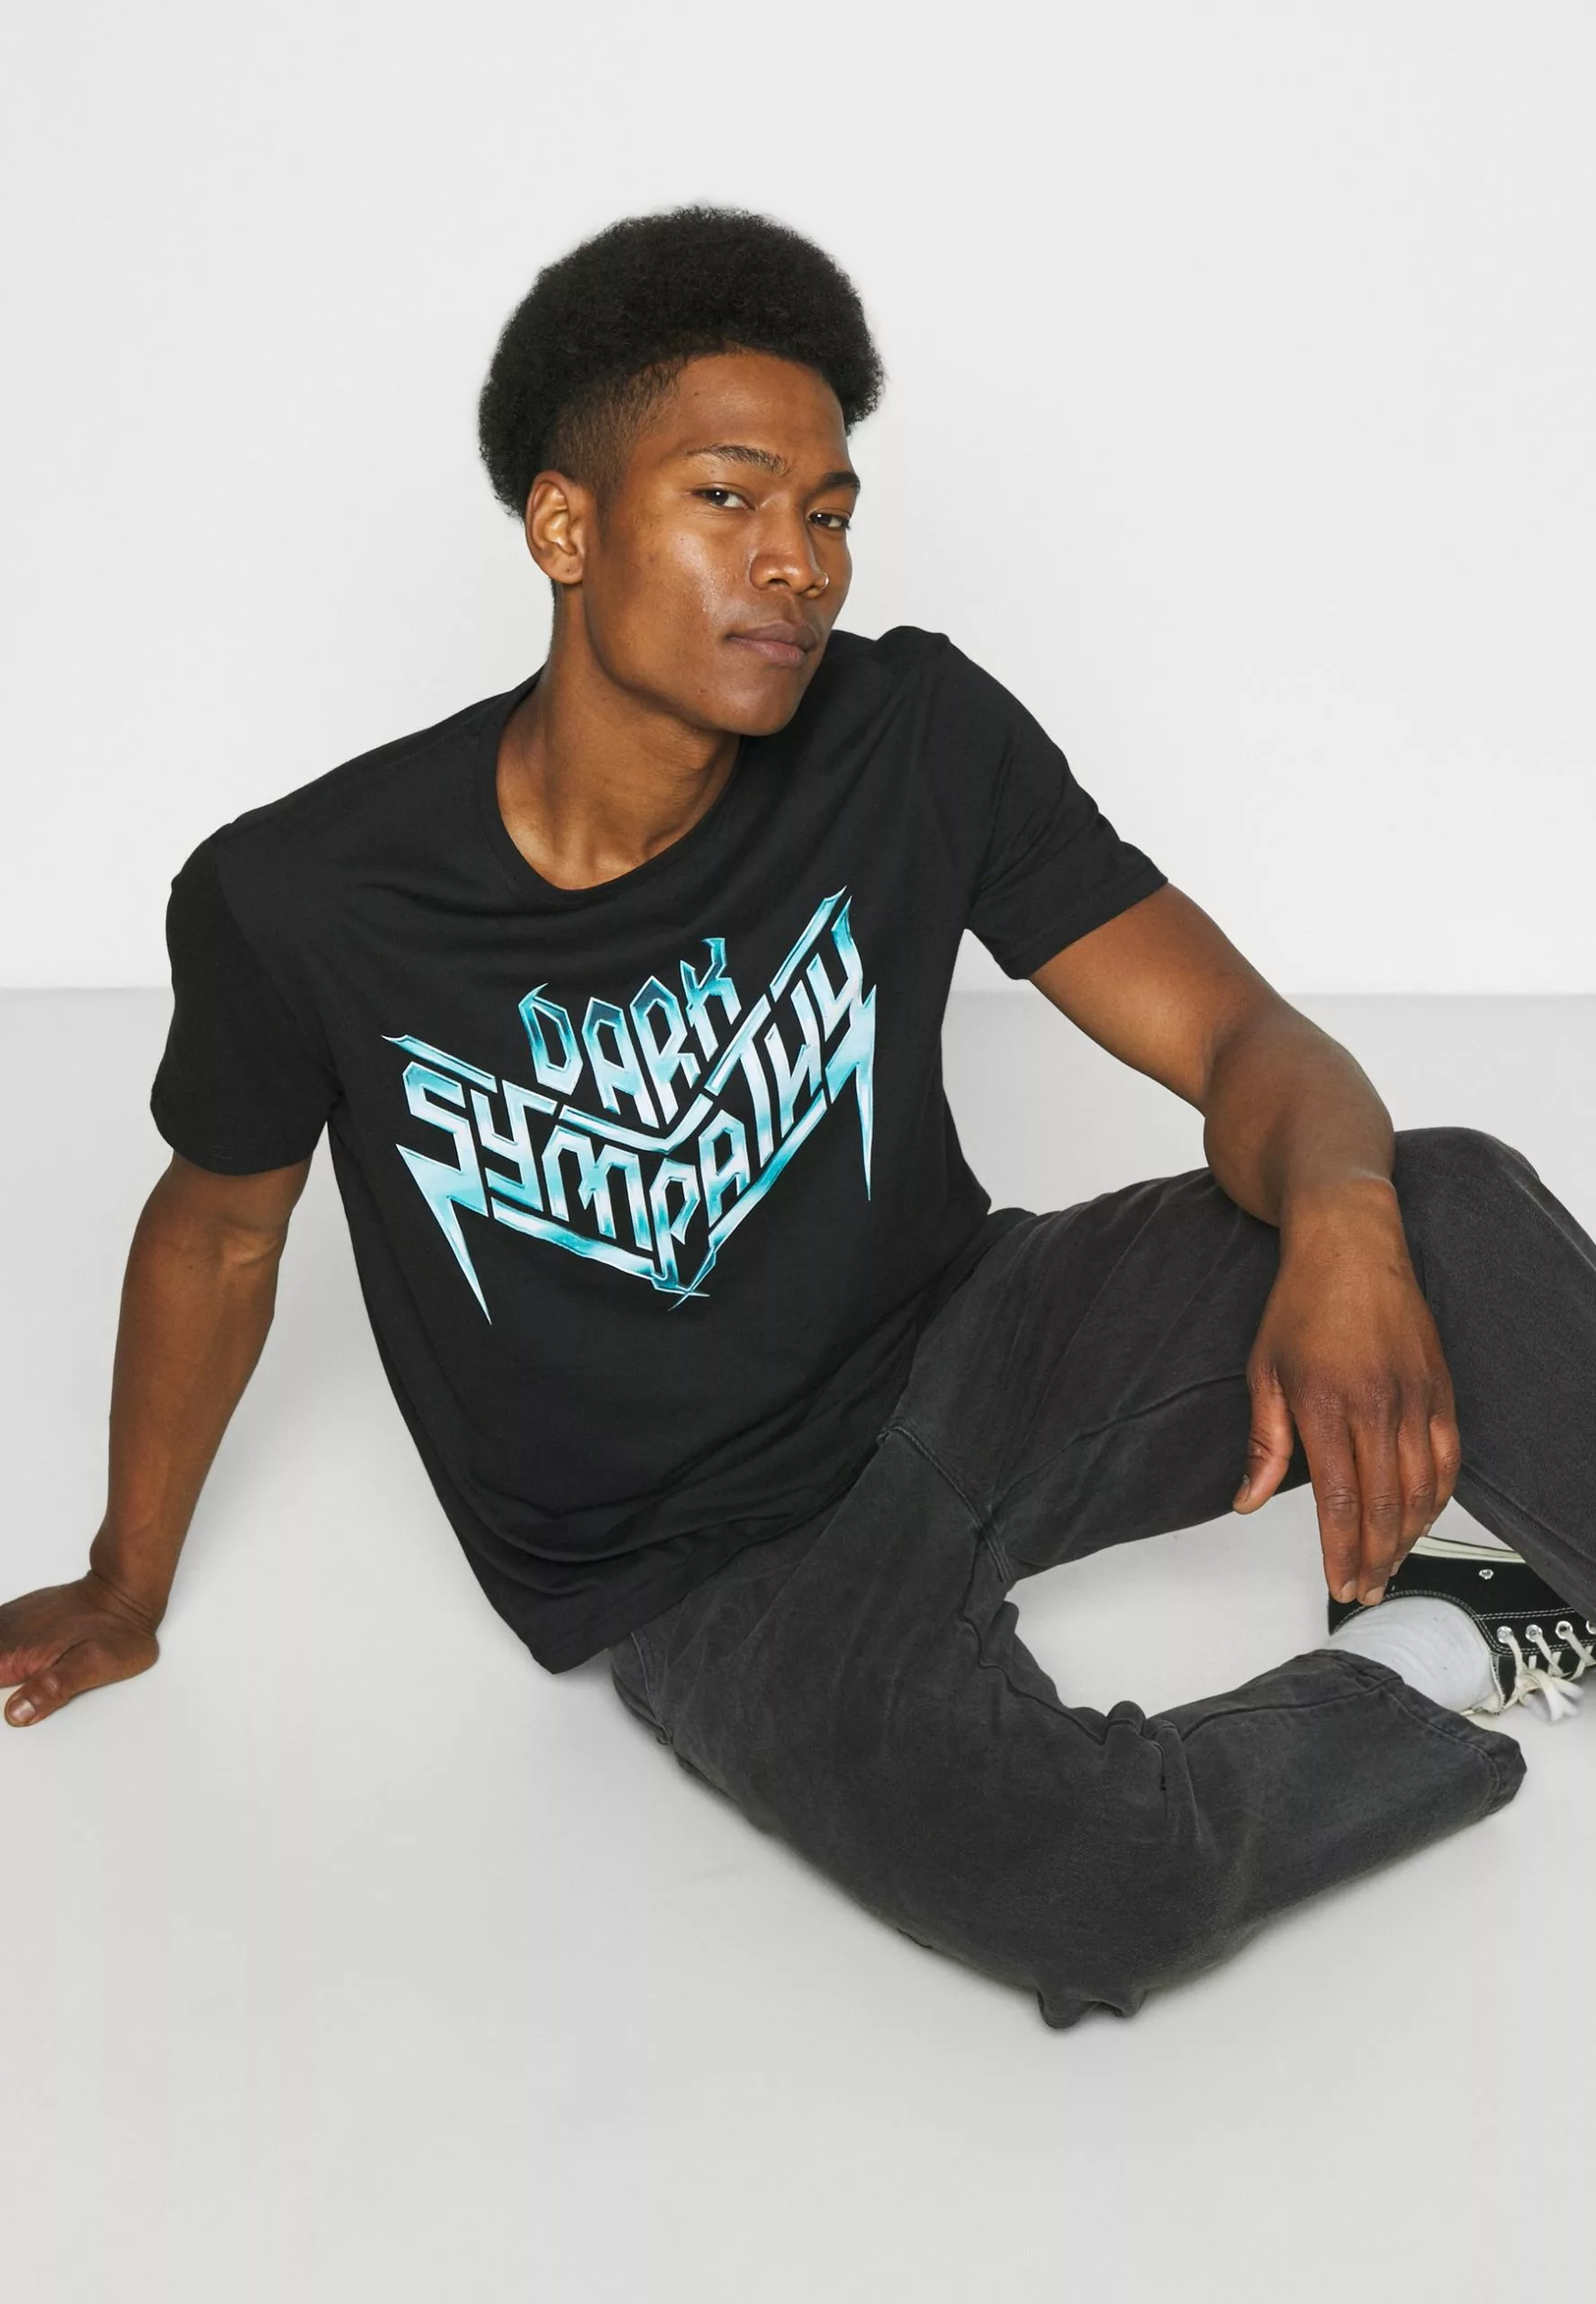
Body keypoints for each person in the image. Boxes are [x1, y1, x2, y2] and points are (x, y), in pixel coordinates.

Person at [5, 206, 1594, 2029]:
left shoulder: (915, 733)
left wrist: (1347, 1230)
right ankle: (1446, 1641)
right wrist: (123, 1583)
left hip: (980, 1338)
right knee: (1100, 1887)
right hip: (702, 1552)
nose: (798, 564)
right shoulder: (304, 897)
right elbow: (218, 1231)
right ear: (564, 528)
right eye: (729, 500)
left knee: (1435, 1198)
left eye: (829, 513)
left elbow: (1241, 1036)